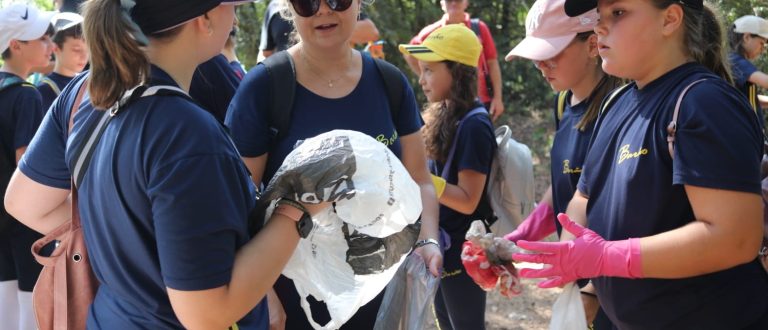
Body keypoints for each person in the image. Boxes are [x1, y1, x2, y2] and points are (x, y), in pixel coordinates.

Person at [3, 0, 327, 328]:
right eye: (231, 6)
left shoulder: (84, 92)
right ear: (204, 18)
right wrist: (297, 208)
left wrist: (130, 244)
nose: (234, 17)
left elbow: (26, 204)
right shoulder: (187, 134)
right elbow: (206, 315)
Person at [513, 0, 768, 328]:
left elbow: (733, 238)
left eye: (617, 13)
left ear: (670, 19)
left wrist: (608, 257)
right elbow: (585, 196)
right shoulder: (616, 102)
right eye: (599, 17)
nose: (600, 27)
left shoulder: (703, 101)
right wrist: (569, 259)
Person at [225, 0, 443, 328]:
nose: (323, 11)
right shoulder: (264, 88)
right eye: (307, 3)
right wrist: (261, 292)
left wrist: (427, 240)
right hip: (291, 297)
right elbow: (237, 199)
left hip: (376, 289)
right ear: (289, 9)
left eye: (338, 0)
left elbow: (419, 179)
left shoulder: (389, 83)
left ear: (359, 4)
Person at [502, 0, 620, 328]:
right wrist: (516, 240)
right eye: (536, 56)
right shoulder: (562, 103)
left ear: (593, 44)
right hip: (579, 278)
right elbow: (566, 188)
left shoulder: (622, 107)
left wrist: (593, 292)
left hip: (615, 284)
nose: (541, 65)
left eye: (551, 53)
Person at [399, 24, 493, 330]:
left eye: (429, 71)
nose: (422, 79)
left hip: (463, 254)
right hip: (440, 244)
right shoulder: (445, 113)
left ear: (458, 73)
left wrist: (420, 176)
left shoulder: (474, 126)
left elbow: (467, 201)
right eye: (421, 70)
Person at [0, 4, 54, 330]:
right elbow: (28, 165)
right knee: (30, 307)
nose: (50, 45)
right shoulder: (26, 95)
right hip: (24, 224)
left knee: (4, 306)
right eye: (42, 38)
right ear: (16, 45)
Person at [405, 0, 505, 121]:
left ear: (466, 3)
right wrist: (429, 74)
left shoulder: (479, 28)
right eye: (448, 0)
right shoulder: (432, 32)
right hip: (447, 103)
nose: (453, 3)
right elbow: (410, 54)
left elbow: (492, 63)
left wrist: (497, 98)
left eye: (458, 0)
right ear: (442, 3)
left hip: (480, 99)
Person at [37, 12, 88, 112]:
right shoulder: (45, 90)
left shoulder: (87, 83)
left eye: (88, 50)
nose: (84, 56)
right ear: (55, 47)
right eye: (77, 49)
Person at [729, 15, 768, 120]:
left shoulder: (734, 61)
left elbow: (747, 99)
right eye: (761, 43)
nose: (763, 49)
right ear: (746, 37)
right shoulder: (736, 61)